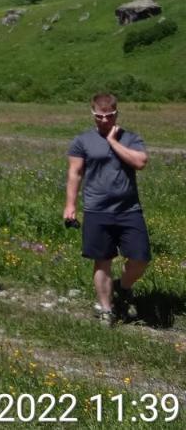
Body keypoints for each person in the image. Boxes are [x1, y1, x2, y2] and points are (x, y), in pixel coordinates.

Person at [64, 92, 151, 324]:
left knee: (140, 258)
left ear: (116, 114)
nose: (104, 120)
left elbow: (140, 162)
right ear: (93, 114)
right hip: (96, 209)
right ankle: (106, 309)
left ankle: (122, 286)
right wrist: (70, 205)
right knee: (102, 260)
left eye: (109, 116)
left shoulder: (130, 138)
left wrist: (113, 142)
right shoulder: (82, 141)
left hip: (129, 209)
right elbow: (75, 173)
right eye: (99, 116)